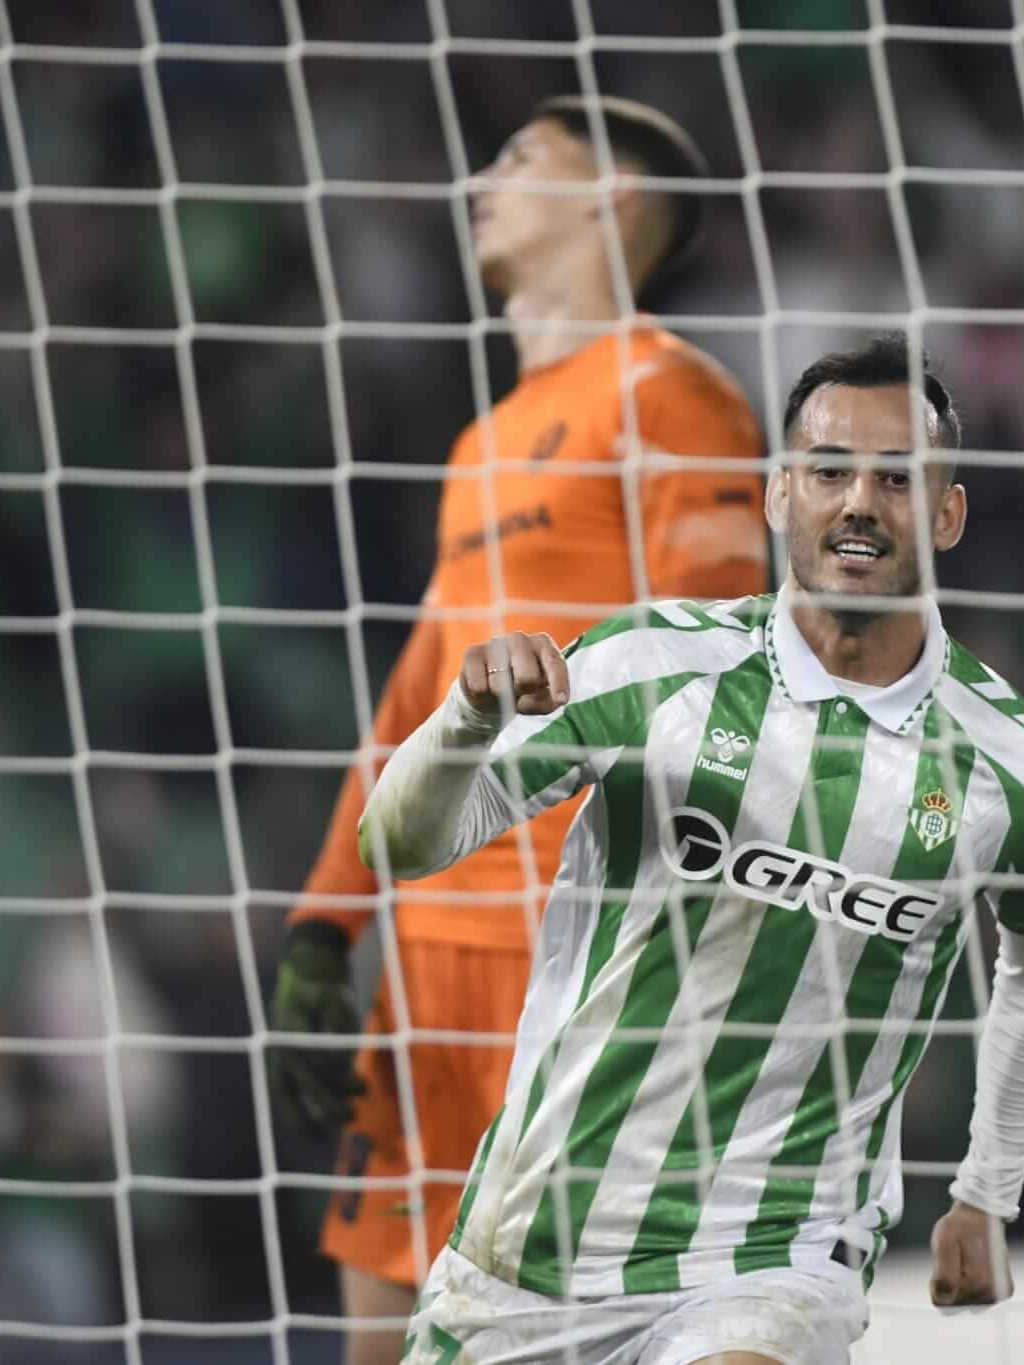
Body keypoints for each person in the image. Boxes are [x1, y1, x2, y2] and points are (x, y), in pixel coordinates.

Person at [360, 334, 1024, 1364]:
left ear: (946, 514)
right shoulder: (645, 663)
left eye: (897, 478)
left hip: (771, 1259)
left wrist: (984, 1191)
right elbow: (397, 842)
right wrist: (463, 722)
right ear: (777, 493)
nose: (857, 503)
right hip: (531, 1247)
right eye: (829, 471)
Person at [267, 95, 770, 1364]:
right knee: (376, 1332)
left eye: (519, 161)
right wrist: (328, 921)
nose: (480, 180)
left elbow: (721, 662)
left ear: (610, 200)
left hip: (571, 958)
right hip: (432, 963)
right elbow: (414, 695)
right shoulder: (477, 444)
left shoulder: (672, 393)